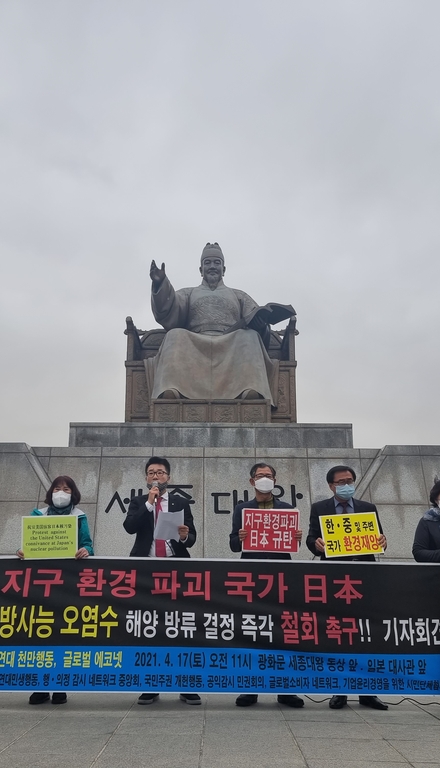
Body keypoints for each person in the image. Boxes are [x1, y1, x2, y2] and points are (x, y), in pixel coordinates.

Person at [145, 243, 295, 403]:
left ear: (224, 269)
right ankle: (172, 388)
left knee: (250, 337)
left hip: (231, 342)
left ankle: (250, 389)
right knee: (174, 335)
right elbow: (169, 309)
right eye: (207, 263)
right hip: (195, 340)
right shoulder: (189, 293)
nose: (212, 266)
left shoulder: (239, 296)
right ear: (200, 269)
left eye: (217, 263)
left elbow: (254, 317)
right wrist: (161, 284)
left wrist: (261, 324)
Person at [306, 465, 388, 711]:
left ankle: (368, 692)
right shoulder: (319, 508)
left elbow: (379, 538)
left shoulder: (368, 509)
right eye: (341, 481)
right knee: (338, 633)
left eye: (349, 480)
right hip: (334, 579)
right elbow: (311, 539)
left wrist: (382, 541)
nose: (346, 484)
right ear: (331, 486)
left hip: (364, 578)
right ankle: (339, 689)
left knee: (366, 633)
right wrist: (316, 545)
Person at [123, 456, 199, 705]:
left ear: (169, 477)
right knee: (149, 627)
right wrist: (148, 504)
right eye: (151, 473)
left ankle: (186, 683)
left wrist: (186, 536)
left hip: (175, 568)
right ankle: (150, 683)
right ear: (146, 478)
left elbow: (192, 537)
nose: (156, 477)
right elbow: (130, 528)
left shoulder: (180, 502)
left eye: (161, 473)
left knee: (181, 626)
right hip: (146, 570)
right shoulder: (138, 501)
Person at [229, 462, 304, 709]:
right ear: (252, 481)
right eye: (260, 476)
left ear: (275, 480)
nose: (265, 479)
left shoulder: (287, 508)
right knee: (252, 631)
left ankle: (285, 690)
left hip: (282, 577)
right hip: (252, 577)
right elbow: (233, 545)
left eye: (268, 476)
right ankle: (251, 688)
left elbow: (294, 546)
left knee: (284, 631)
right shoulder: (242, 508)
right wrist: (239, 537)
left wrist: (296, 538)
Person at [19, 475, 93, 706]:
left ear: (74, 493)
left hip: (67, 581)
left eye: (66, 489)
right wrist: (23, 551)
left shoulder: (79, 516)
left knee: (63, 632)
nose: (61, 492)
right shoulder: (37, 515)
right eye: (57, 488)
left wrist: (86, 550)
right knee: (39, 632)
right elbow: (28, 543)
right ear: (50, 492)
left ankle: (60, 684)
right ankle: (39, 686)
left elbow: (88, 543)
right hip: (40, 581)